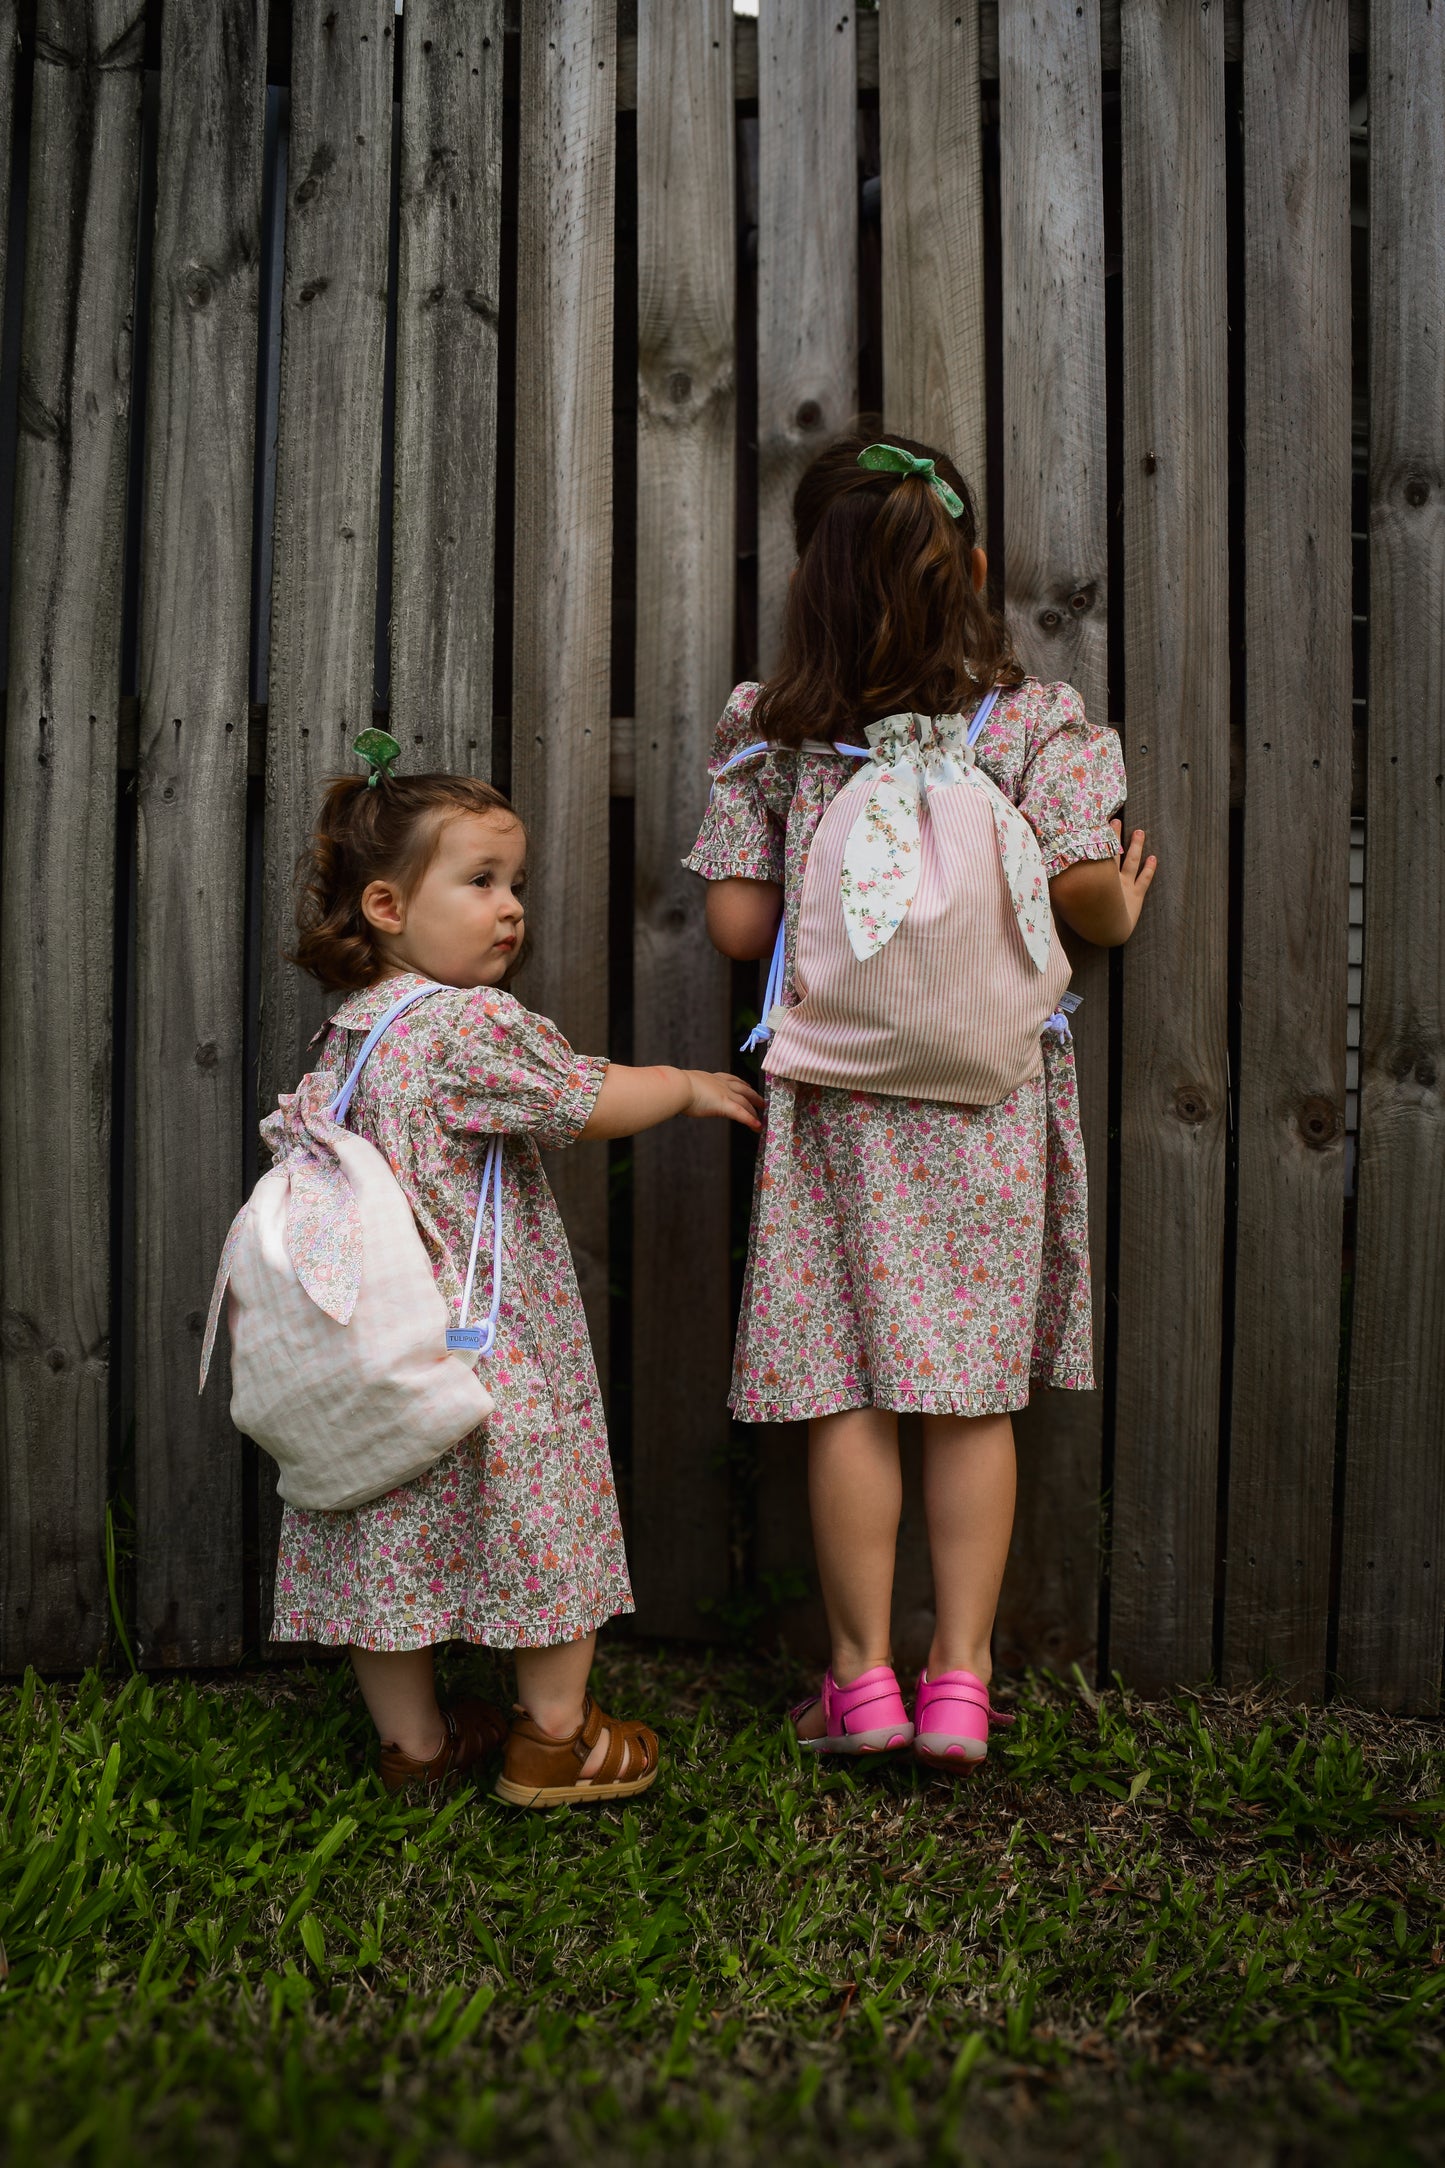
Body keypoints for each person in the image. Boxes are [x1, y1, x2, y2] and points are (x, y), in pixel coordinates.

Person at [685, 433, 1155, 1770]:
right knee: (967, 1401)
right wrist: (1119, 890)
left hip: (841, 1106)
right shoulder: (1035, 725)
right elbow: (1087, 901)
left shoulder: (772, 735)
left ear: (808, 591)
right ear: (978, 571)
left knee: (848, 1392)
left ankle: (859, 1682)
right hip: (989, 1105)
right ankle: (960, 1681)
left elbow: (733, 927)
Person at [272, 740, 762, 1804]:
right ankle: (555, 1739)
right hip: (485, 1346)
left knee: (388, 1535)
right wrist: (679, 1084)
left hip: (376, 1353)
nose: (510, 908)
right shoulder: (464, 1024)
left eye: (516, 884)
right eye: (481, 881)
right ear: (387, 906)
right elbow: (581, 1098)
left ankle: (417, 1743)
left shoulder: (348, 1031)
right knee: (544, 1522)